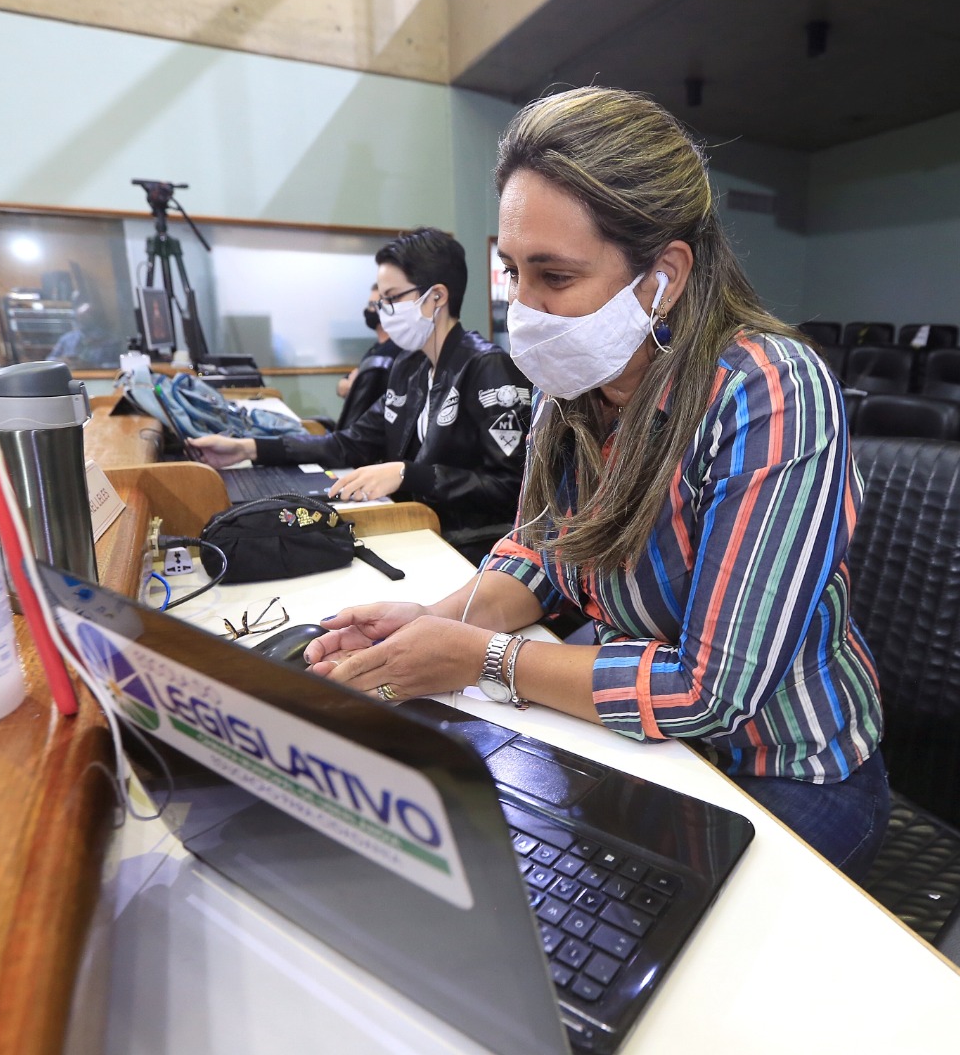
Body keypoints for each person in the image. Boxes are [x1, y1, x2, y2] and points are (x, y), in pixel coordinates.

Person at [301, 88, 890, 879]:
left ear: (663, 275)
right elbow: (538, 554)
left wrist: (482, 658)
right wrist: (427, 631)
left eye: (555, 275)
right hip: (650, 747)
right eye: (513, 271)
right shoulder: (575, 384)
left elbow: (712, 690)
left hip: (783, 772)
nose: (525, 308)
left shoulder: (771, 393)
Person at [190, 228, 530, 556]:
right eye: (381, 300)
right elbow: (349, 443)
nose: (382, 311)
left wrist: (408, 473)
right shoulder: (408, 366)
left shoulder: (486, 366)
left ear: (437, 297)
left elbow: (512, 486)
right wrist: (249, 448)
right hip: (414, 528)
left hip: (466, 543)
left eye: (392, 298)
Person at [334, 283, 399, 432]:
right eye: (369, 305)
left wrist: (352, 385)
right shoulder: (375, 349)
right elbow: (344, 385)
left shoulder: (395, 350)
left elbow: (363, 388)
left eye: (373, 305)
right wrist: (350, 384)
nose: (369, 310)